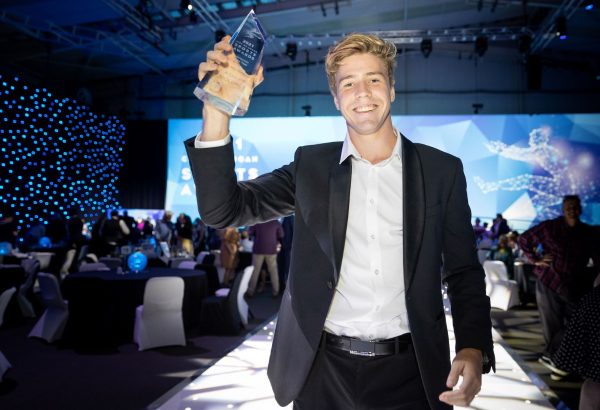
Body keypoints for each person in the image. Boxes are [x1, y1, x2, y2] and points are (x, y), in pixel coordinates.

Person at [186, 33, 494, 409]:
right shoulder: (310, 167)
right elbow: (224, 210)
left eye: (374, 79)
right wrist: (216, 110)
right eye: (348, 83)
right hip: (320, 370)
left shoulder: (441, 171)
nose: (362, 92)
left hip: (411, 371)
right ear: (336, 98)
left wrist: (472, 346)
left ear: (392, 89)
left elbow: (463, 270)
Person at [518, 195, 600, 373]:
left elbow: (596, 256)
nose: (572, 210)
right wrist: (536, 259)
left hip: (573, 285)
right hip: (550, 281)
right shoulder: (550, 227)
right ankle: (555, 360)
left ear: (580, 209)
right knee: (552, 324)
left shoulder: (586, 232)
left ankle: (552, 356)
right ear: (563, 210)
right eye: (568, 207)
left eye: (575, 206)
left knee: (575, 322)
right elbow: (524, 239)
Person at [246, 220, 284, 298]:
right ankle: (275, 292)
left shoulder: (257, 220)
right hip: (271, 249)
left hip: (258, 249)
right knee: (273, 271)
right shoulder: (276, 222)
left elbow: (249, 233)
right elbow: (281, 235)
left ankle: (250, 291)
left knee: (255, 271)